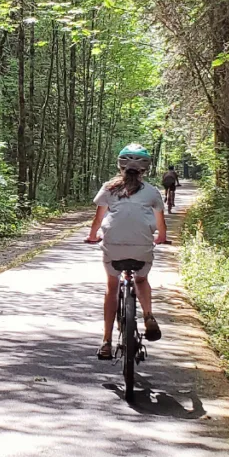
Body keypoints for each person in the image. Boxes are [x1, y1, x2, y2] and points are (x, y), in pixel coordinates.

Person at [84, 143, 167, 360]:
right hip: (142, 249)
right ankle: (148, 315)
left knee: (112, 288)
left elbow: (98, 219)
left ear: (120, 167)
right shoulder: (152, 192)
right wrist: (161, 238)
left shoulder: (109, 188)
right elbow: (161, 226)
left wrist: (93, 236)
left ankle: (106, 342)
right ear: (144, 170)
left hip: (113, 247)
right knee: (140, 280)